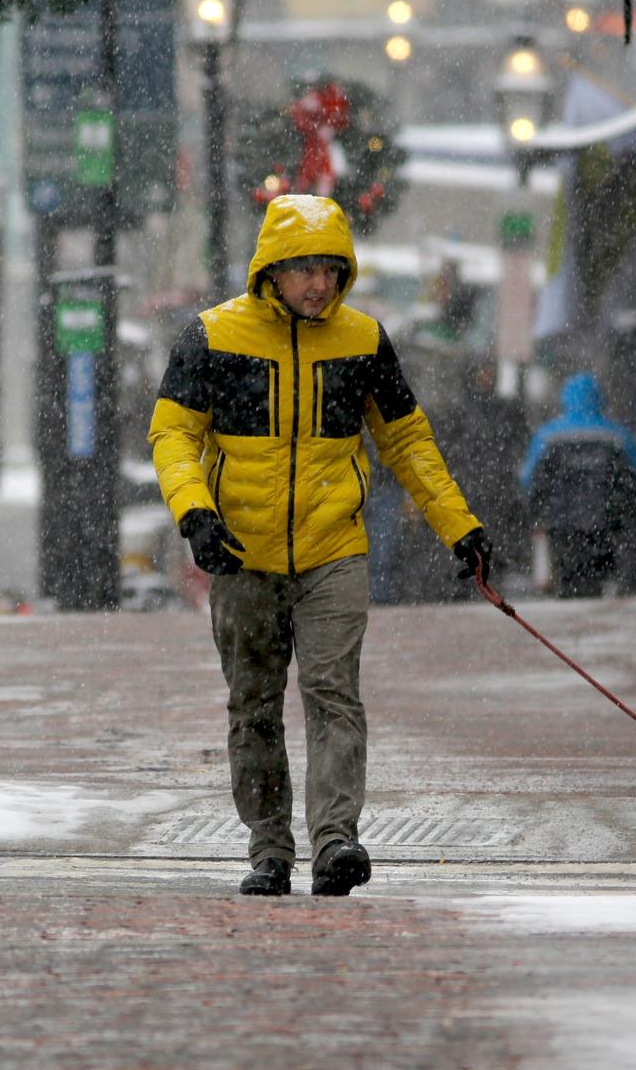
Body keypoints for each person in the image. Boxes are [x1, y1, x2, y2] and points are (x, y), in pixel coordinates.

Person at [147, 195, 494, 897]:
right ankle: (269, 847)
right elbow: (173, 434)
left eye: (332, 270)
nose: (319, 285)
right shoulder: (211, 337)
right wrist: (196, 515)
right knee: (254, 706)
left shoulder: (363, 341)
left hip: (335, 550)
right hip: (240, 554)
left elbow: (407, 441)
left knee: (334, 693)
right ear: (271, 270)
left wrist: (459, 524)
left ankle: (337, 840)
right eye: (304, 268)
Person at [516, 371, 636, 597]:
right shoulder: (618, 436)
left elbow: (528, 477)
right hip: (605, 521)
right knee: (598, 579)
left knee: (568, 580)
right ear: (599, 398)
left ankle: (570, 609)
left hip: (561, 524)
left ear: (565, 398)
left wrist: (537, 509)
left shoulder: (547, 436)